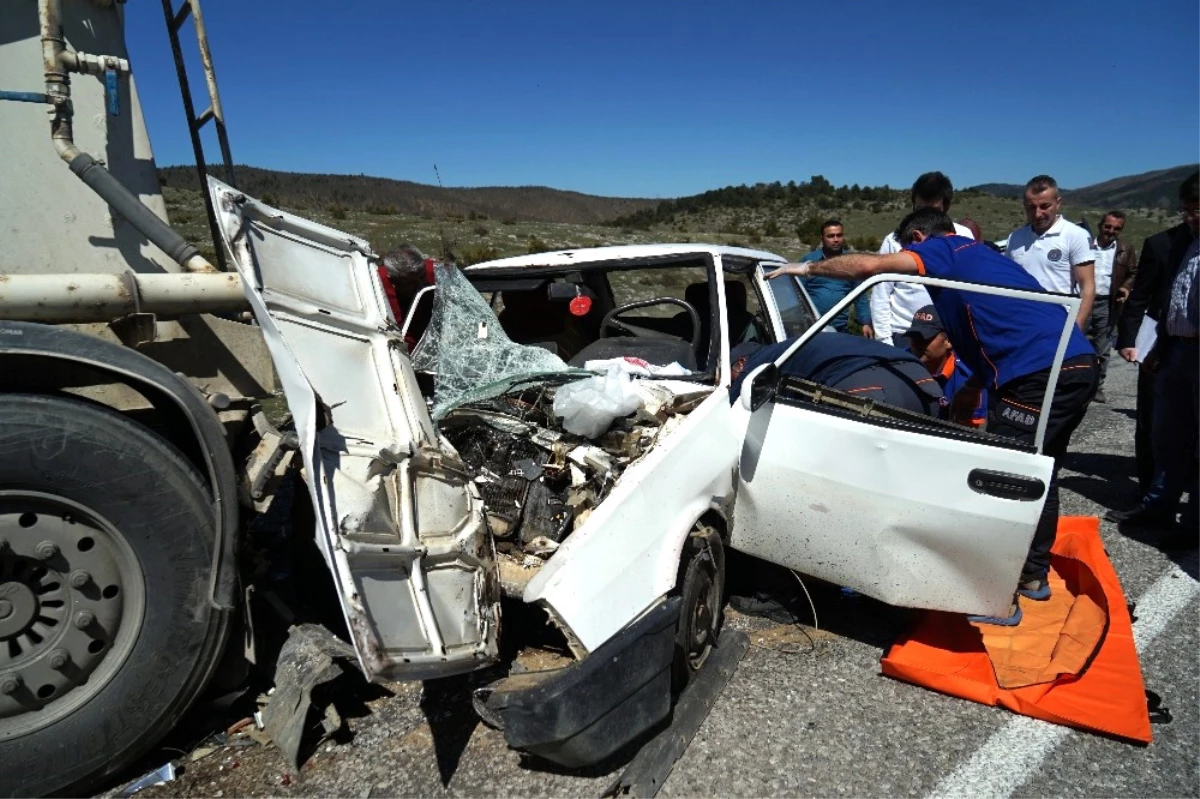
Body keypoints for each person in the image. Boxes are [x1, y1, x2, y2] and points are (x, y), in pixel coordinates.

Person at [767, 207, 1098, 625]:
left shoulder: (947, 249)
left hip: (1039, 372)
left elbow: (869, 268)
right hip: (1074, 363)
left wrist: (807, 267)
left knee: (1006, 477)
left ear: (919, 239)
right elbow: (985, 342)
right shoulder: (971, 273)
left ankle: (995, 596)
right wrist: (973, 390)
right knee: (1041, 471)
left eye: (909, 253)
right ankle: (1032, 578)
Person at [1108, 170, 1200, 546]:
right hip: (1175, 349)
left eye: (1198, 210)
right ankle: (1159, 505)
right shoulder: (1183, 244)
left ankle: (1193, 524)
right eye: (1186, 210)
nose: (1191, 217)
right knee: (1168, 437)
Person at [1115, 220, 1193, 496]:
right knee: (1152, 419)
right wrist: (1128, 338)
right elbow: (1141, 294)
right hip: (1160, 341)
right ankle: (1148, 491)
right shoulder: (1160, 244)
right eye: (1189, 209)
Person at [872, 172, 976, 345]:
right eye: (920, 210)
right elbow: (880, 294)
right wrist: (885, 341)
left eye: (933, 211)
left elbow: (972, 288)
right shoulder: (894, 240)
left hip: (951, 335)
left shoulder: (964, 236)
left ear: (947, 206)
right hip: (904, 335)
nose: (924, 219)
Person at [729, 332, 942, 416]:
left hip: (869, 388)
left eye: (729, 375)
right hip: (920, 380)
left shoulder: (759, 362)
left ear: (740, 363)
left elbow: (731, 410)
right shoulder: (796, 346)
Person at [1006, 175, 1096, 331]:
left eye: (1044, 206)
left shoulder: (1075, 235)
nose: (1037, 213)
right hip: (1020, 322)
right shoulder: (1015, 238)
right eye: (1031, 207)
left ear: (1058, 203)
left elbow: (1087, 286)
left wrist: (1076, 327)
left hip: (1058, 324)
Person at [1083, 211, 1137, 403]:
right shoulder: (1084, 244)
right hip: (1082, 300)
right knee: (1075, 342)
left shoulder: (1125, 249)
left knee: (1102, 347)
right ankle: (1071, 384)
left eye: (1116, 228)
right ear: (1100, 226)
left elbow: (1132, 272)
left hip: (1107, 303)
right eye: (1108, 226)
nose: (1111, 231)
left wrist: (1125, 287)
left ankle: (1096, 387)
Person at [903, 305, 986, 426]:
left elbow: (969, 431)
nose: (916, 344)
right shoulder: (900, 363)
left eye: (924, 338)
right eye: (913, 337)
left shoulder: (970, 379)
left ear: (949, 341)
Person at [800, 220, 874, 337]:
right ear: (822, 238)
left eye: (839, 235)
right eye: (830, 236)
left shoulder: (851, 263)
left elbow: (860, 294)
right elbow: (797, 293)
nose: (836, 239)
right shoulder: (809, 261)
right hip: (811, 327)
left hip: (840, 327)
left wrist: (865, 323)